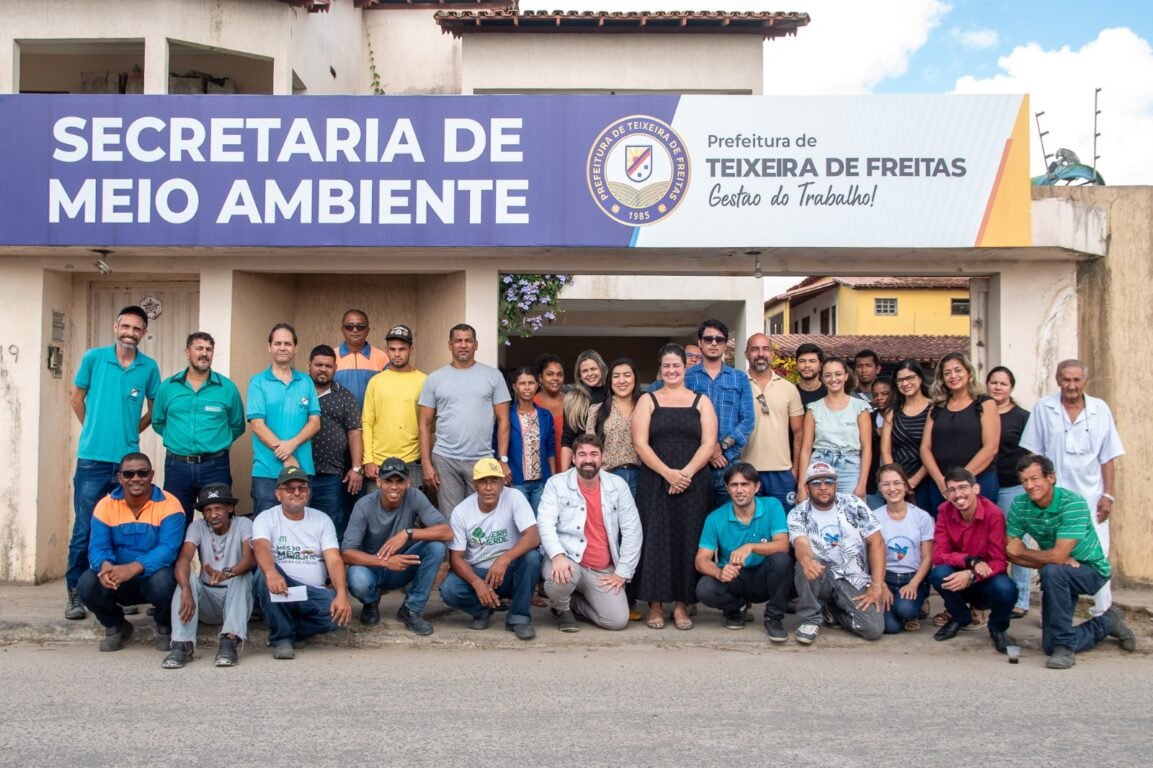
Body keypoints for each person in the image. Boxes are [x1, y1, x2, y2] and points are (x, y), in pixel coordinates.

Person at [66, 305, 161, 620]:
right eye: (126, 327)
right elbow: (76, 399)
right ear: (115, 326)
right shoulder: (94, 358)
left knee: (123, 528)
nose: (130, 333)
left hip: (127, 463)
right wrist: (92, 428)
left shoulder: (148, 368)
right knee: (86, 528)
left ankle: (119, 591)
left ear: (143, 334)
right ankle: (76, 593)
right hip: (92, 460)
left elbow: (155, 407)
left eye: (137, 329)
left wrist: (133, 430)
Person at [1006, 454, 1135, 669]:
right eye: (1024, 481)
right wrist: (1050, 560)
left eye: (1035, 478)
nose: (1029, 485)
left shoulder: (1072, 503)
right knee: (1049, 644)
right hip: (1058, 573)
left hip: (1092, 570)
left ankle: (1065, 648)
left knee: (1053, 572)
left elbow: (1042, 555)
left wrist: (1034, 555)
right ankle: (1107, 622)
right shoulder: (1020, 505)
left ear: (1051, 478)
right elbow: (1010, 552)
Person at [1019, 359, 1124, 618]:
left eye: (1076, 380)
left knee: (1097, 557)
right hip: (1053, 502)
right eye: (1066, 379)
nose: (1071, 385)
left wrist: (1108, 495)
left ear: (1085, 382)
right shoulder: (1044, 408)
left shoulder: (1100, 410)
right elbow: (1034, 455)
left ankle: (1104, 614)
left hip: (1091, 500)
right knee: (1051, 560)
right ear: (1058, 381)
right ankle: (1052, 617)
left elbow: (1107, 456)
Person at [633, 343, 718, 631]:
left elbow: (709, 443)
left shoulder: (701, 401)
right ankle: (655, 603)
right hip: (655, 479)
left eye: (676, 366)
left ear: (685, 368)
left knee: (688, 538)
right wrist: (668, 473)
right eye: (666, 366)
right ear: (661, 369)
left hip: (693, 481)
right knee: (656, 538)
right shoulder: (648, 400)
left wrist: (686, 474)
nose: (671, 370)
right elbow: (640, 443)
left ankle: (682, 604)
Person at [76, 453, 183, 653]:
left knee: (166, 581)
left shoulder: (170, 504)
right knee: (87, 583)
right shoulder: (105, 505)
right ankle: (116, 626)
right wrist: (105, 565)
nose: (136, 478)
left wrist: (133, 568)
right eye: (129, 474)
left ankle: (164, 626)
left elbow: (168, 549)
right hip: (118, 579)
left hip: (153, 577)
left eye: (142, 473)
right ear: (120, 477)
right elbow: (98, 547)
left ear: (151, 475)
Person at [538, 434, 642, 632]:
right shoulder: (556, 484)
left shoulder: (618, 486)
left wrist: (622, 572)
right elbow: (545, 523)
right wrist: (557, 556)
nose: (588, 459)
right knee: (559, 580)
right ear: (574, 459)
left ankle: (575, 602)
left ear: (602, 458)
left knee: (617, 621)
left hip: (602, 569)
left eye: (594, 454)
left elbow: (632, 529)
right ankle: (562, 608)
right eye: (582, 454)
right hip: (569, 560)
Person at [251, 467, 352, 660]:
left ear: (308, 492)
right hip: (279, 587)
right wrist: (272, 572)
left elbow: (333, 558)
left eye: (302, 488)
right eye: (289, 488)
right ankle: (281, 640)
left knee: (338, 616)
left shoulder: (322, 520)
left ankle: (287, 628)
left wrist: (341, 594)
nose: (297, 492)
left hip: (309, 593)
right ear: (278, 494)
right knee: (262, 575)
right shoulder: (266, 518)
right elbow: (261, 547)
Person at [342, 457, 452, 634]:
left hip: (401, 566)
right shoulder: (364, 505)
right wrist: (384, 562)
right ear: (379, 482)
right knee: (357, 579)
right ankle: (371, 602)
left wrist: (408, 533)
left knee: (436, 547)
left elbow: (447, 532)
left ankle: (411, 609)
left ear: (408, 483)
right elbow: (347, 553)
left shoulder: (415, 496)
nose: (394, 486)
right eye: (388, 480)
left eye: (399, 480)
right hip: (372, 567)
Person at [438, 459, 543, 640]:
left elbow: (533, 536)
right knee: (449, 589)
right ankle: (483, 610)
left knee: (532, 558)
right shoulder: (461, 511)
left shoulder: (514, 497)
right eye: (482, 481)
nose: (488, 487)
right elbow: (456, 558)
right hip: (479, 572)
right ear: (474, 485)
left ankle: (518, 617)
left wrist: (504, 559)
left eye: (494, 481)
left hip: (509, 571)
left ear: (503, 483)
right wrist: (476, 583)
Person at [152, 331, 245, 529]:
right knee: (174, 523)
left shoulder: (227, 388)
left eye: (209, 349)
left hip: (215, 466)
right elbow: (158, 422)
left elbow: (237, 426)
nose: (204, 353)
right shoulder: (168, 387)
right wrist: (180, 441)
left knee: (219, 525)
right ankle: (178, 561)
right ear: (187, 352)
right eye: (199, 348)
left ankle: (218, 562)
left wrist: (216, 442)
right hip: (177, 467)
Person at [418, 324, 512, 516]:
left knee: (481, 515)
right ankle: (453, 548)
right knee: (451, 517)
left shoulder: (493, 376)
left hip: (481, 459)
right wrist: (426, 463)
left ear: (475, 345)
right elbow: (424, 424)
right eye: (458, 341)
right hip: (445, 458)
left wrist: (502, 460)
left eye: (468, 340)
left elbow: (504, 420)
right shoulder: (434, 379)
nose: (463, 345)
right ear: (450, 345)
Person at [788, 461, 886, 645]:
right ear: (807, 487)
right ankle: (810, 619)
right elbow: (801, 544)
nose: (823, 487)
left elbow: (877, 542)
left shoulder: (854, 503)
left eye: (828, 482)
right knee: (805, 563)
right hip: (822, 573)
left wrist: (878, 584)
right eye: (816, 483)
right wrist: (806, 559)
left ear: (836, 484)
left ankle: (832, 610)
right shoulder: (798, 513)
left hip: (853, 577)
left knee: (873, 629)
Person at [694, 462, 792, 642]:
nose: (739, 490)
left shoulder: (772, 506)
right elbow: (701, 560)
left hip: (763, 577)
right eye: (734, 485)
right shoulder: (715, 517)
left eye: (745, 484)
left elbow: (783, 545)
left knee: (781, 560)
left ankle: (774, 618)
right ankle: (736, 608)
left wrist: (751, 546)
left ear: (757, 487)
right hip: (735, 578)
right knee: (705, 588)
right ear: (727, 489)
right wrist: (719, 572)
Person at [164, 483, 255, 669]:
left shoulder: (244, 524)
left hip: (234, 598)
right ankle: (182, 645)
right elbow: (183, 559)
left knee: (243, 576)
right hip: (207, 599)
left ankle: (229, 641)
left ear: (229, 508)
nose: (213, 514)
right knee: (185, 577)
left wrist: (227, 573)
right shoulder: (197, 526)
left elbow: (250, 559)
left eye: (219, 508)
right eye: (208, 510)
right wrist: (186, 590)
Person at [928, 468, 1018, 653]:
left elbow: (999, 561)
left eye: (963, 488)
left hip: (985, 578)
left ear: (976, 489)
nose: (958, 494)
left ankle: (998, 628)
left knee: (1007, 589)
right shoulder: (944, 511)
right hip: (960, 572)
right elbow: (939, 555)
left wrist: (971, 575)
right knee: (938, 574)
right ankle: (960, 617)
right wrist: (970, 561)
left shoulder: (993, 513)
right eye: (951, 490)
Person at [246, 323, 321, 518]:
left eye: (287, 343)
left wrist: (292, 445)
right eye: (277, 343)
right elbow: (257, 425)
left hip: (302, 469)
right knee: (265, 533)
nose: (282, 347)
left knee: (300, 531)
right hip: (267, 472)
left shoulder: (305, 382)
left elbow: (315, 422)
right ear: (269, 347)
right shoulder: (258, 382)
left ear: (296, 348)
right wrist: (287, 456)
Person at [680, 320, 756, 509]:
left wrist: (720, 447)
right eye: (708, 339)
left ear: (725, 343)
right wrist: (707, 451)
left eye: (719, 340)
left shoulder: (739, 378)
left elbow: (748, 420)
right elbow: (681, 418)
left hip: (729, 462)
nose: (714, 343)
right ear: (700, 342)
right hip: (694, 462)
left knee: (729, 520)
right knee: (695, 519)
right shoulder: (686, 377)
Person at [920, 351, 1000, 512]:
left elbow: (991, 447)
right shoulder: (937, 407)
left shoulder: (985, 403)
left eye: (958, 370)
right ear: (942, 378)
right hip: (941, 485)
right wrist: (941, 480)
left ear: (968, 372)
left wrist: (960, 482)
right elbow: (925, 448)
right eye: (947, 373)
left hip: (978, 481)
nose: (953, 376)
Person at [985, 366, 1033, 618]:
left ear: (1011, 387)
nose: (997, 387)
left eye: (1003, 384)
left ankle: (1021, 599)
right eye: (993, 383)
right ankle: (997, 594)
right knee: (989, 542)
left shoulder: (1022, 416)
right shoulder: (980, 412)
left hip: (1011, 486)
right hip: (986, 484)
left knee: (1015, 541)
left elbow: (1031, 452)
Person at [307, 345, 363, 539]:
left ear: (335, 368)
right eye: (318, 364)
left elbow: (355, 432)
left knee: (330, 527)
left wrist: (356, 468)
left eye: (328, 366)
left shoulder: (345, 396)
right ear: (309, 365)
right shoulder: (297, 391)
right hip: (299, 472)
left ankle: (330, 568)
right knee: (298, 524)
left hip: (332, 475)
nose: (323, 369)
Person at [742, 333, 803, 511]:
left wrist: (795, 471)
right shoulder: (738, 385)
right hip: (746, 470)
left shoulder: (789, 389)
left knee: (783, 526)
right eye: (755, 349)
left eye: (765, 349)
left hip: (782, 472)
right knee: (749, 524)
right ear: (747, 354)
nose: (760, 354)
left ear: (772, 354)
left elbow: (798, 433)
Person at [796, 356, 871, 500]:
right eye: (828, 375)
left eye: (838, 374)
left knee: (850, 516)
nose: (833, 379)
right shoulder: (813, 408)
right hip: (820, 464)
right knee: (818, 516)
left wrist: (862, 483)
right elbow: (805, 450)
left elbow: (867, 448)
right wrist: (801, 485)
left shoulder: (860, 407)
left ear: (846, 376)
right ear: (822, 378)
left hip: (850, 467)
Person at [362, 324, 427, 489]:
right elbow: (367, 422)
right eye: (392, 349)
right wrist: (368, 460)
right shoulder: (376, 382)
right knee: (377, 513)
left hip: (412, 460)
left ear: (411, 349)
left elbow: (429, 425)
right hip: (378, 463)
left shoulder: (424, 381)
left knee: (412, 513)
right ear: (386, 350)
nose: (397, 354)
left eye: (402, 349)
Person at [874, 464, 934, 634]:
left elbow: (927, 557)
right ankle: (897, 609)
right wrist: (881, 586)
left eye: (897, 483)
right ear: (879, 488)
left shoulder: (922, 517)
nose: (892, 489)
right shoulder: (874, 517)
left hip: (912, 577)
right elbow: (870, 556)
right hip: (886, 577)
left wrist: (914, 584)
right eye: (885, 484)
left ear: (906, 486)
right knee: (891, 628)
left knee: (905, 609)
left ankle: (915, 608)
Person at [881, 359, 934, 511]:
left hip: (927, 478)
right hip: (897, 483)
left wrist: (913, 482)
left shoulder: (934, 408)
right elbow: (886, 450)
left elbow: (934, 449)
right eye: (900, 380)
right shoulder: (892, 412)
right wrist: (896, 481)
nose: (905, 383)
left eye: (910, 378)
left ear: (920, 378)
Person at [506, 367, 556, 513]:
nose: (527, 387)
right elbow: (497, 445)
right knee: (518, 524)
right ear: (515, 387)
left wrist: (552, 478)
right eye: (522, 384)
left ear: (537, 385)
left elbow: (550, 447)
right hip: (516, 481)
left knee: (541, 523)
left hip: (540, 482)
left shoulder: (545, 415)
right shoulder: (507, 415)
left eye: (531, 383)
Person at [559, 349, 608, 471]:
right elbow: (567, 439)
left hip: (612, 466)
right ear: (579, 375)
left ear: (601, 368)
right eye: (585, 371)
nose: (590, 373)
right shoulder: (573, 399)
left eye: (593, 369)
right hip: (584, 466)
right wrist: (564, 476)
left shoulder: (613, 395)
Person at [333, 308, 388, 406]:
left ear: (368, 330)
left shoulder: (382, 357)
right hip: (339, 420)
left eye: (360, 326)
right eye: (349, 327)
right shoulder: (331, 356)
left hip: (372, 419)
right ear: (342, 330)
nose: (355, 330)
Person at [864, 375, 893, 510]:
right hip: (873, 483)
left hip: (899, 480)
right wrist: (875, 433)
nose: (879, 398)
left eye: (884, 394)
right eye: (875, 395)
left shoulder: (902, 417)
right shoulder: (868, 418)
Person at [534, 353, 566, 462]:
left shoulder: (572, 403)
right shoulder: (532, 404)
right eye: (550, 374)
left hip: (568, 464)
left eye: (559, 374)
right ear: (540, 378)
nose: (555, 378)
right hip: (540, 464)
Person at [794, 343, 827, 409]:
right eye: (802, 361)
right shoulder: (790, 393)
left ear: (820, 366)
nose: (807, 365)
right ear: (797, 365)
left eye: (812, 361)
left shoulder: (829, 393)